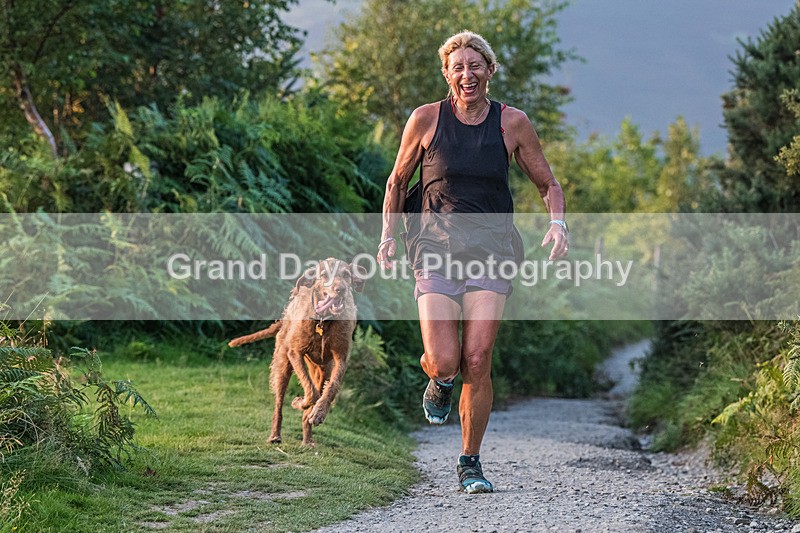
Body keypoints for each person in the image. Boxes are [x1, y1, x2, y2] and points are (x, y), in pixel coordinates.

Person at [376, 30, 568, 494]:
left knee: (477, 359)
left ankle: (470, 462)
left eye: (475, 65)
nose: (467, 74)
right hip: (434, 250)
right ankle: (439, 382)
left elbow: (548, 184)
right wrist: (387, 236)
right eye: (458, 66)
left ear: (490, 70)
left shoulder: (512, 123)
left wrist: (558, 223)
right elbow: (397, 183)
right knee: (445, 361)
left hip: (492, 252)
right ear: (447, 73)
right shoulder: (425, 120)